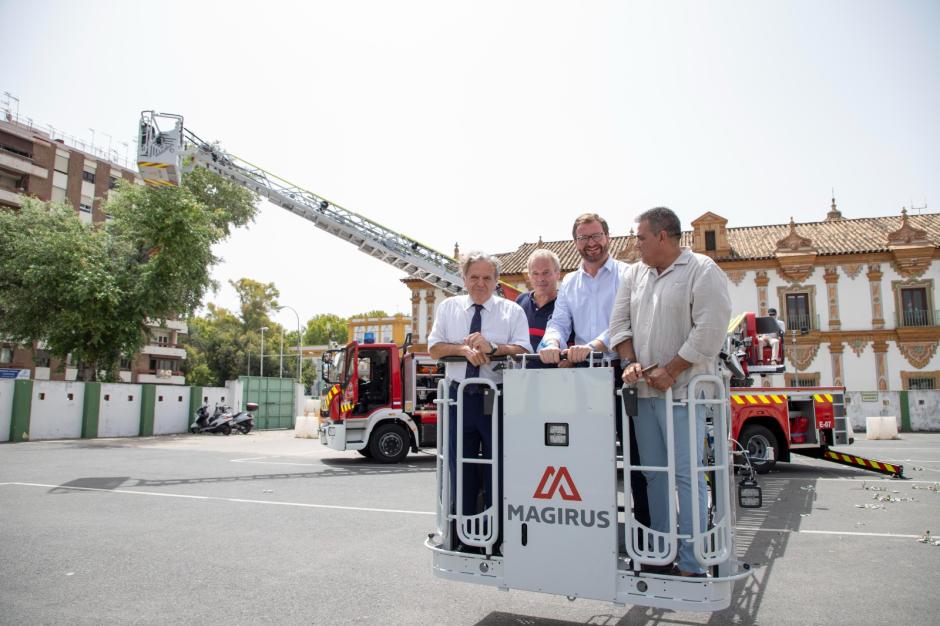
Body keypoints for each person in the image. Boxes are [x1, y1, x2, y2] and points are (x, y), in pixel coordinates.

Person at [610, 207, 732, 577]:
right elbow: (618, 324)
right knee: (653, 475)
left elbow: (710, 330)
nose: (636, 244)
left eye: (641, 237)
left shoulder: (702, 270)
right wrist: (630, 361)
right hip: (645, 396)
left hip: (683, 395)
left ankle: (693, 563)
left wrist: (672, 369)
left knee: (686, 474)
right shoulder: (635, 274)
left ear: (663, 236)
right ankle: (663, 555)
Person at [537, 212, 650, 530]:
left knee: (636, 458)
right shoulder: (570, 282)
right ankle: (592, 532)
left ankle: (644, 534)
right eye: (584, 238)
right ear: (575, 243)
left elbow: (626, 322)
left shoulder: (629, 275)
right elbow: (558, 321)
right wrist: (553, 341)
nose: (591, 243)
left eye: (596, 235)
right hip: (585, 376)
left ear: (608, 237)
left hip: (621, 371)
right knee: (584, 455)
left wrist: (594, 345)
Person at [427, 251, 529, 546]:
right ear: (464, 278)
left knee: (499, 466)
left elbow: (524, 350)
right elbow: (434, 348)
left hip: (497, 399)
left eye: (487, 278)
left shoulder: (512, 311)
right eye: (474, 277)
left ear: (497, 280)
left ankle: (497, 536)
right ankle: (462, 535)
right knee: (460, 467)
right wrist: (462, 350)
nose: (480, 283)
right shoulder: (449, 308)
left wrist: (492, 347)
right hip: (459, 399)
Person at [515, 249, 564, 353]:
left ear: (558, 274)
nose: (540, 278)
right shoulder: (520, 301)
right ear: (529, 276)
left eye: (546, 273)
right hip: (521, 368)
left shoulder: (566, 305)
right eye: (535, 273)